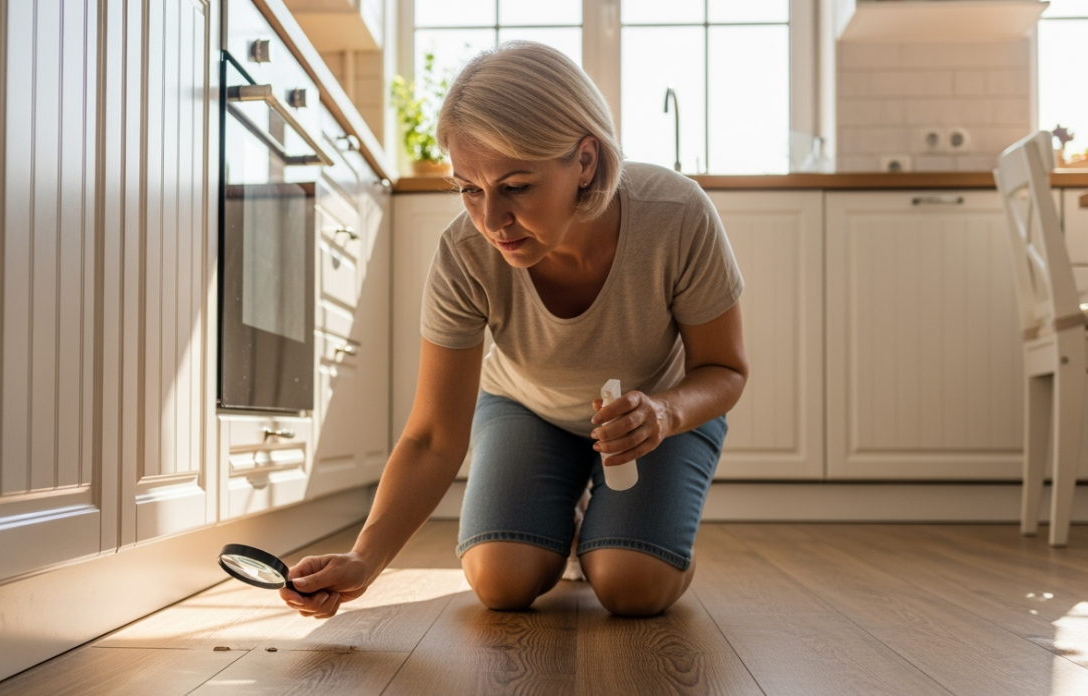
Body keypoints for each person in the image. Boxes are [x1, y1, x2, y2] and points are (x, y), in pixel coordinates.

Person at [280, 41, 747, 618]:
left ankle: (635, 540)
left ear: (585, 161)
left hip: (659, 415)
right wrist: (365, 558)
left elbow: (724, 370)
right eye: (469, 189)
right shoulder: (465, 254)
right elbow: (432, 436)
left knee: (633, 584)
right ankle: (571, 520)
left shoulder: (678, 216)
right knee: (500, 581)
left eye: (516, 186)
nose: (490, 220)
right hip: (528, 409)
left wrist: (664, 413)